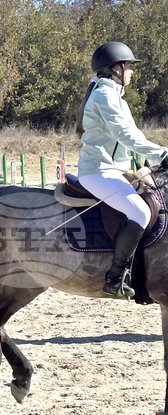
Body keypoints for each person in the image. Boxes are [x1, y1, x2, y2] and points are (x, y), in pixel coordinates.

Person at [76, 41, 168, 299]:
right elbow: (124, 134)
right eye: (128, 65)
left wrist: (150, 158)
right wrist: (162, 153)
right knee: (138, 211)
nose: (132, 70)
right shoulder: (104, 96)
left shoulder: (116, 97)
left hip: (115, 169)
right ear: (115, 68)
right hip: (98, 171)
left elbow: (132, 136)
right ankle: (115, 277)